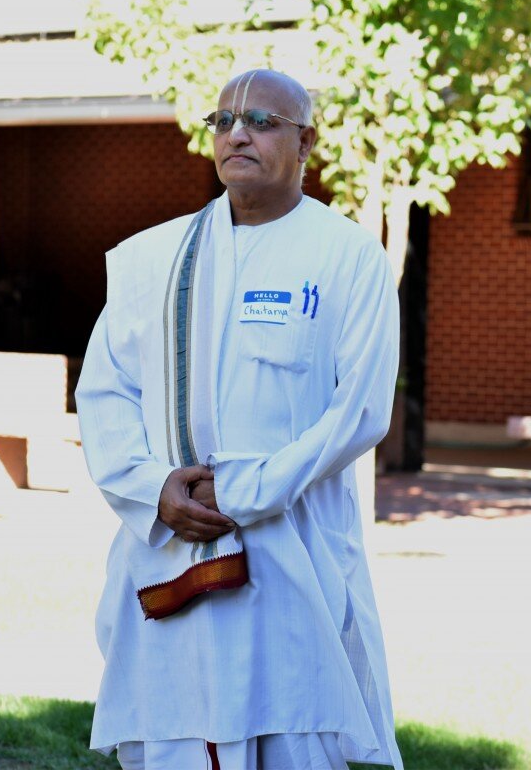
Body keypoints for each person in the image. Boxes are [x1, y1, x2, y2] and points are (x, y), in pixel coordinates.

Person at [76, 69, 403, 770]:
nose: (237, 134)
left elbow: (362, 409)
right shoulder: (152, 260)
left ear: (306, 140)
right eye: (222, 122)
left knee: (293, 738)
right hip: (170, 553)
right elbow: (105, 393)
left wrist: (246, 492)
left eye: (260, 120)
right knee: (176, 743)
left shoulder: (348, 256)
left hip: (291, 559)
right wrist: (153, 488)